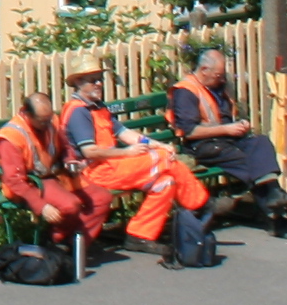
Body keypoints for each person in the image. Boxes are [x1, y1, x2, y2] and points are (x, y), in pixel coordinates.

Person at [60, 61, 209, 259]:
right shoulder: (79, 112)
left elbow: (126, 134)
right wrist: (128, 153)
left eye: (100, 79)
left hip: (111, 167)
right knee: (165, 159)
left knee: (166, 182)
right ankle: (201, 206)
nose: (99, 84)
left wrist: (158, 144)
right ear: (79, 82)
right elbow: (89, 152)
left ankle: (139, 236)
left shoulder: (97, 107)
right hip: (94, 173)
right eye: (93, 80)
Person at [169, 47, 287, 211]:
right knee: (252, 163)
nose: (222, 79)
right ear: (204, 70)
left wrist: (240, 125)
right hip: (203, 146)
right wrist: (227, 129)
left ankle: (275, 195)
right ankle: (274, 211)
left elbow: (225, 117)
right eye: (218, 75)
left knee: (260, 143)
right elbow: (189, 132)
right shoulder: (185, 92)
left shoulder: (217, 88)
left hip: (227, 140)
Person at [0, 91, 103, 248]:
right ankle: (56, 242)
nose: (47, 124)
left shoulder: (52, 121)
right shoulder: (10, 138)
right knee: (71, 205)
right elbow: (14, 180)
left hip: (56, 176)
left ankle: (75, 242)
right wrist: (42, 206)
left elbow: (65, 146)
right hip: (32, 184)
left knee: (101, 198)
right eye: (42, 121)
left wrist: (69, 160)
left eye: (49, 118)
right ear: (27, 113)